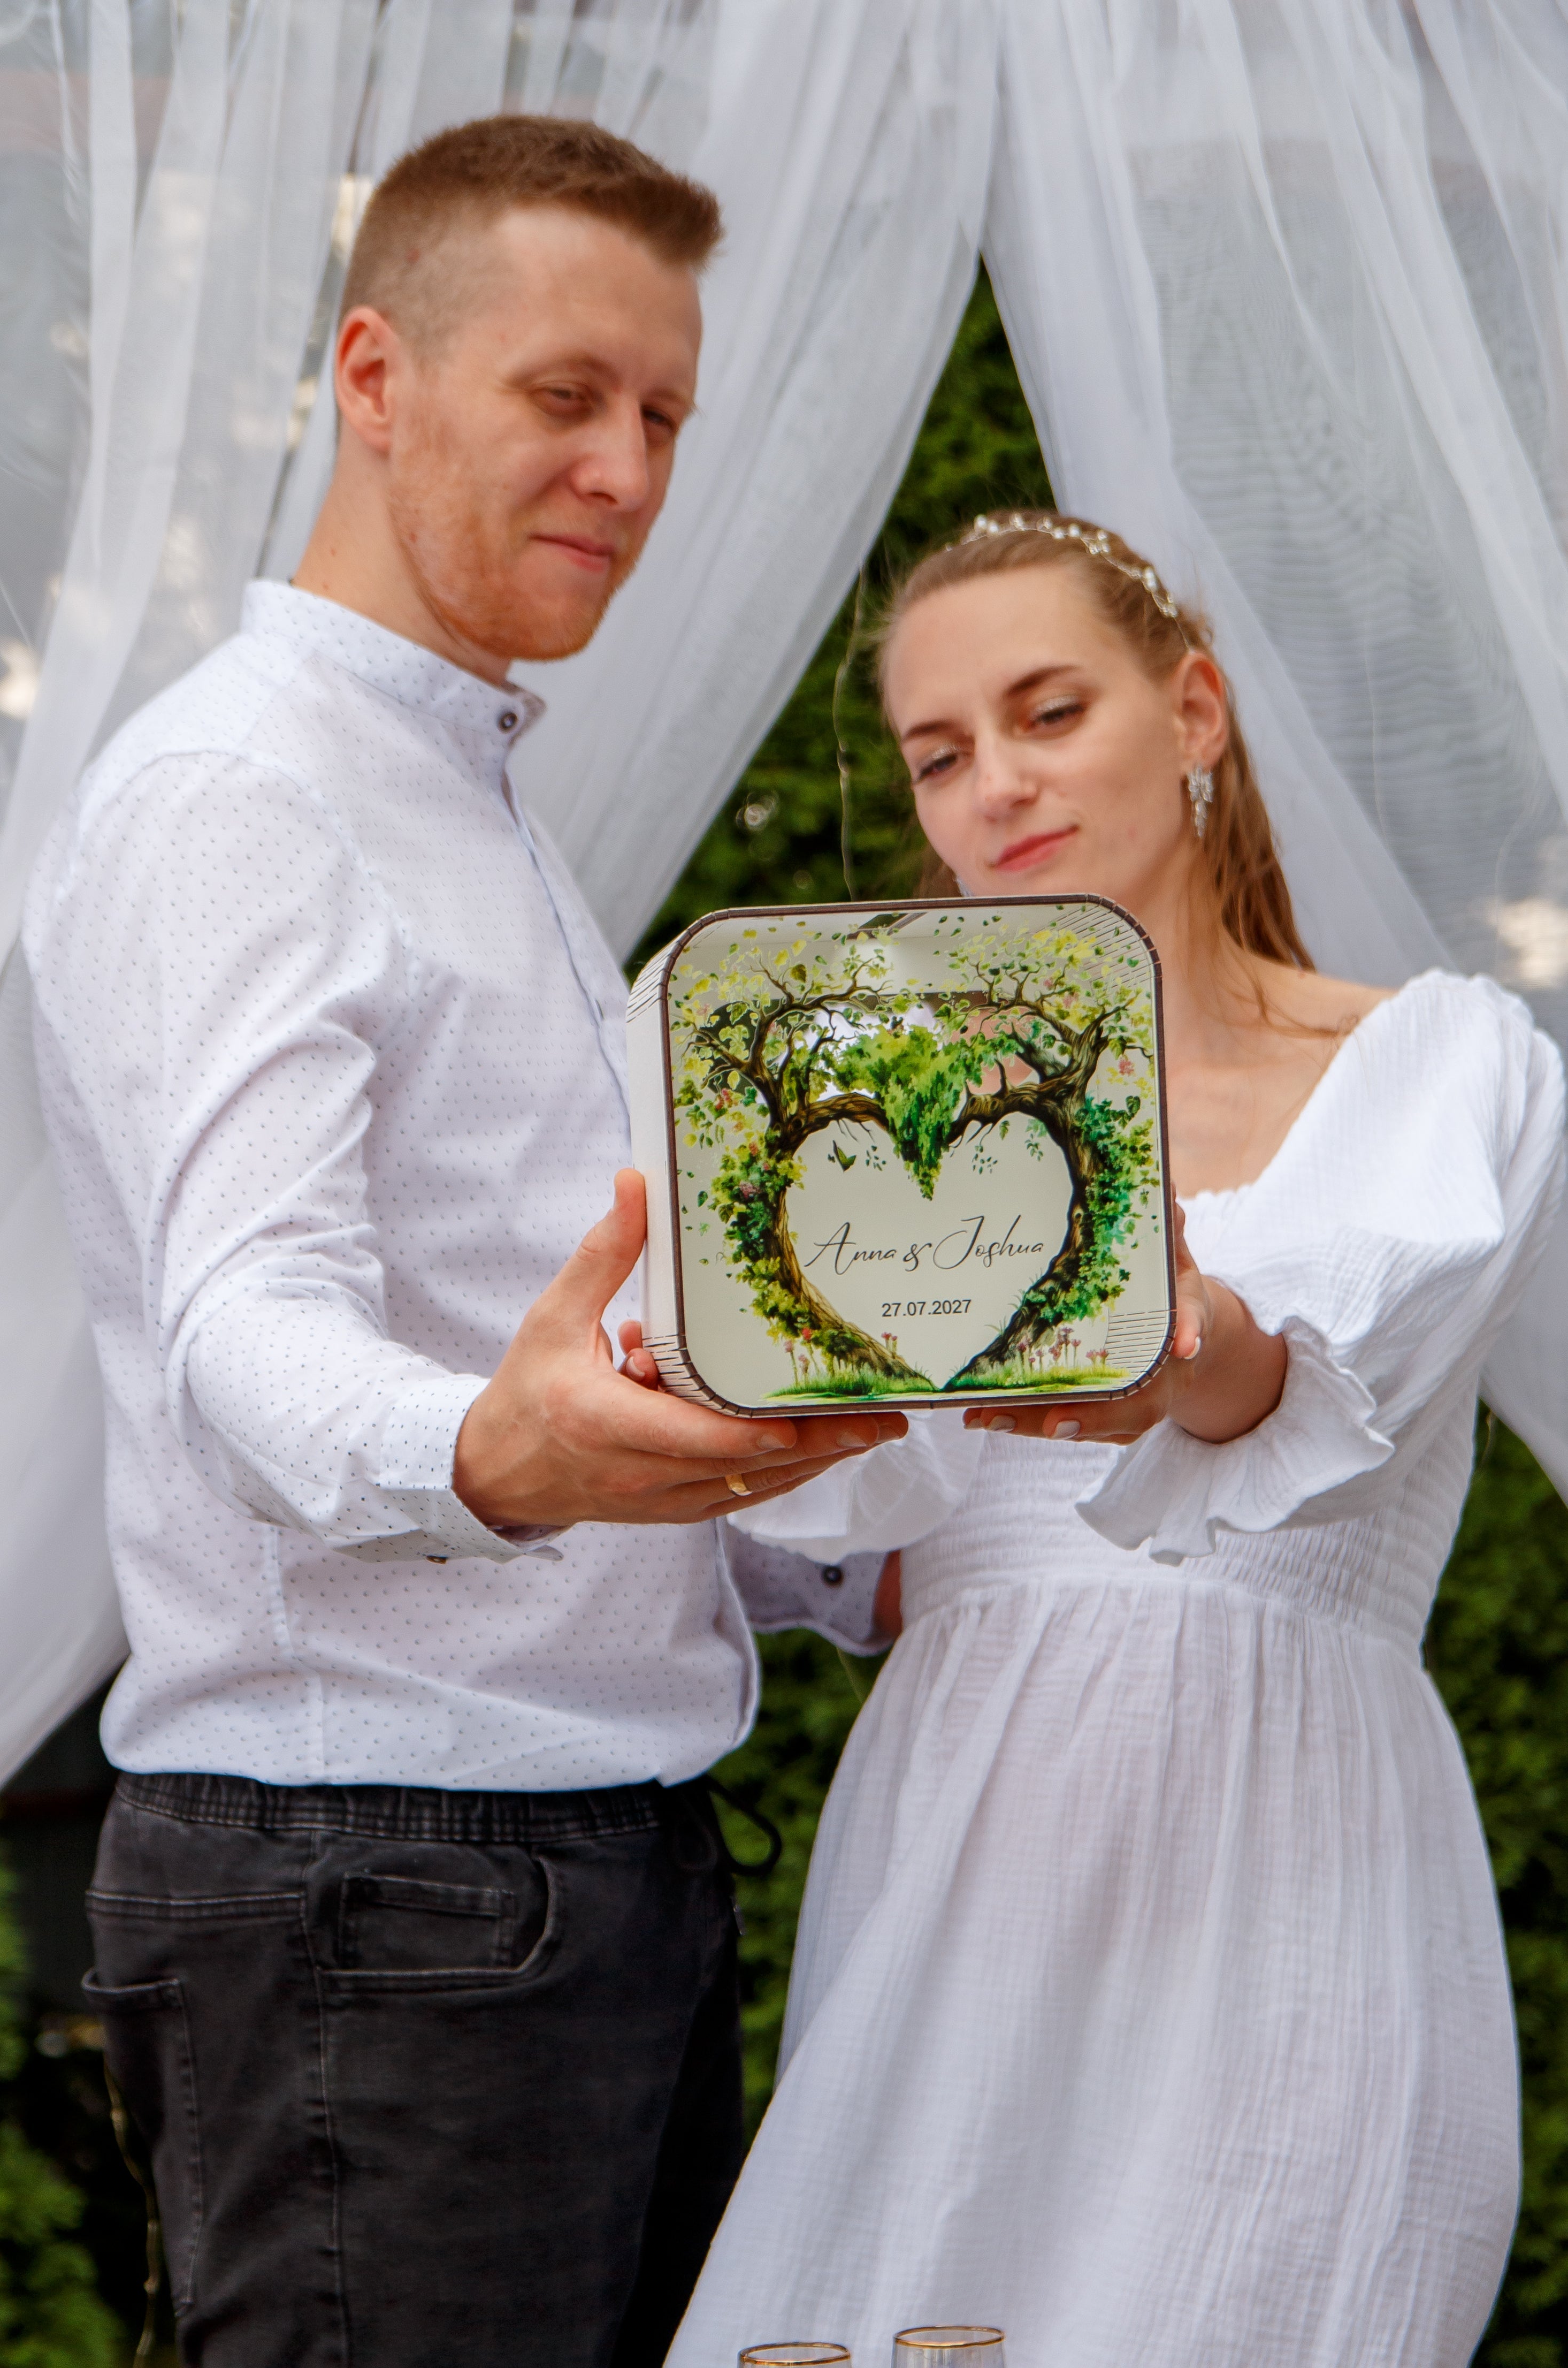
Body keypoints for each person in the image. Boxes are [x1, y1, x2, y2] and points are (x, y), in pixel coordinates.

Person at [22, 117, 903, 2368]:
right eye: (566, 393)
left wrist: (838, 1548)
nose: (627, 466)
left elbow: (550, 1327)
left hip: (562, 1875)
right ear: (376, 374)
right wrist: (505, 1454)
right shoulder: (246, 795)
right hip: (382, 1887)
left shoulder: (470, 801)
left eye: (667, 415)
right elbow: (249, 1325)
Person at [660, 512, 1566, 2368]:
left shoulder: (1440, 1064)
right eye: (937, 752)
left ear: (1195, 709)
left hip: (1294, 1864)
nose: (993, 783)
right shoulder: (854, 1110)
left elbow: (1292, 1378)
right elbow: (797, 1506)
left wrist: (1172, 1338)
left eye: (1045, 710)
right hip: (965, 1869)